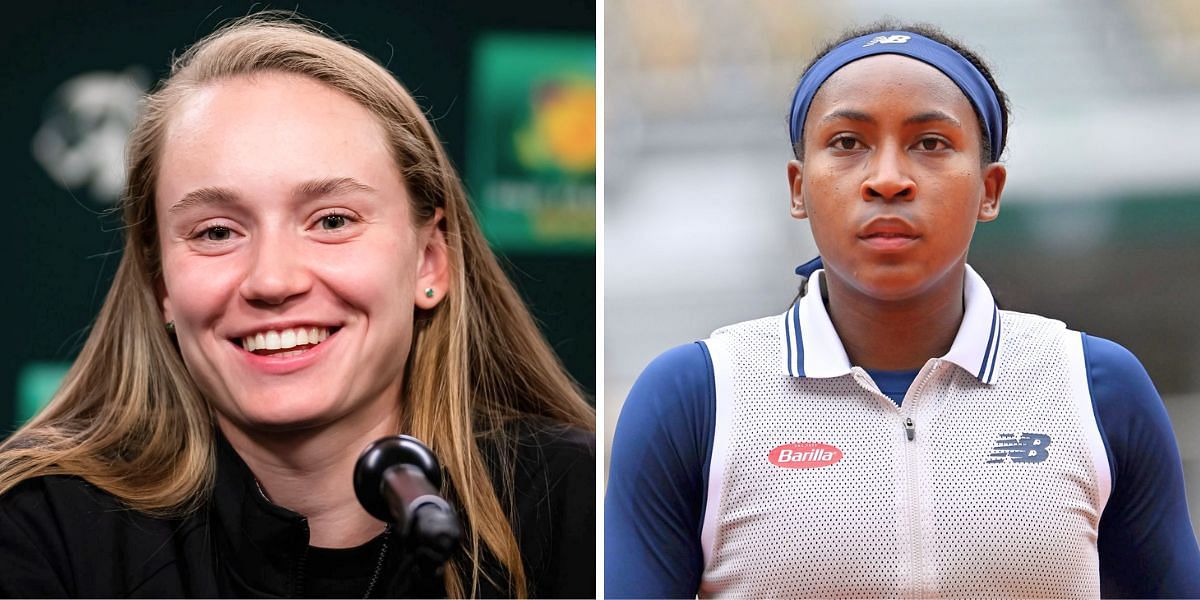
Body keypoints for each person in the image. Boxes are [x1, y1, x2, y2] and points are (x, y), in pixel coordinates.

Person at [0, 14, 594, 598]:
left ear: (429, 262)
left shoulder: (583, 505)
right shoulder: (37, 529)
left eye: (332, 220)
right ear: (162, 287)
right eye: (216, 232)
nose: (272, 279)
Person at [605, 20, 1200, 598]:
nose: (887, 179)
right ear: (797, 187)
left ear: (989, 191)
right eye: (847, 143)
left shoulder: (1097, 388)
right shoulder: (694, 398)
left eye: (930, 143)